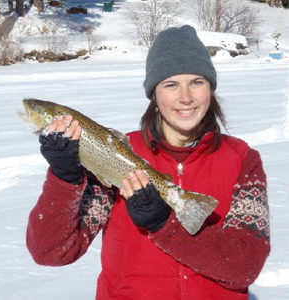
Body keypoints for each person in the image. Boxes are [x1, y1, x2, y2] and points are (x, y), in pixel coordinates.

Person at [26, 25, 270, 300]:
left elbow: (245, 267)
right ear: (154, 94)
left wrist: (164, 225)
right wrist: (64, 178)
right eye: (171, 85)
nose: (186, 97)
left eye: (197, 82)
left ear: (210, 89)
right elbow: (51, 251)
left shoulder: (241, 160)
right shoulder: (117, 155)